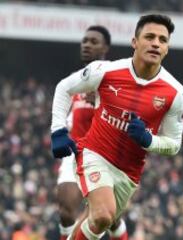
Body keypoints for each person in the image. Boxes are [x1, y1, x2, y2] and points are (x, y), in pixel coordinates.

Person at [50, 14, 183, 240]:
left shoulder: (175, 92)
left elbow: (174, 145)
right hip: (94, 153)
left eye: (162, 40)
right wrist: (58, 130)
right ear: (135, 42)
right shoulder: (105, 71)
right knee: (103, 214)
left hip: (128, 172)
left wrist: (148, 140)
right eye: (149, 37)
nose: (155, 43)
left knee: (100, 220)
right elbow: (64, 87)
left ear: (167, 49)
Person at [55, 25, 128, 240]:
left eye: (93, 42)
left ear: (105, 48)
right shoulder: (75, 80)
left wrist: (101, 102)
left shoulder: (114, 77)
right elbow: (70, 111)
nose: (87, 45)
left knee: (105, 217)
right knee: (66, 212)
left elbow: (126, 114)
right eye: (84, 41)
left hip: (103, 155)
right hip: (75, 151)